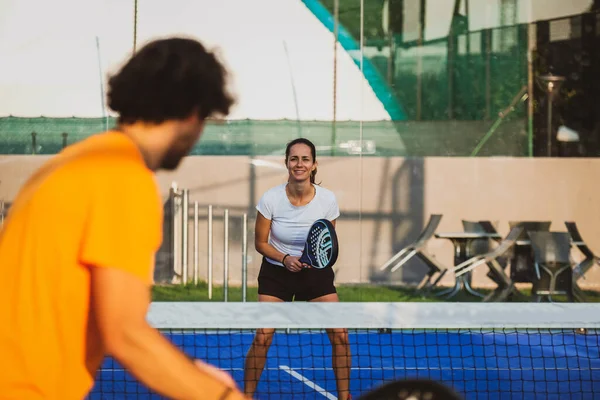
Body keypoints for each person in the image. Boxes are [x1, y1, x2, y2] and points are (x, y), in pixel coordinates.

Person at [0, 37, 248, 400]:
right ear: (194, 112)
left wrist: (189, 375)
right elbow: (125, 333)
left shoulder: (73, 163)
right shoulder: (124, 177)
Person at [243, 138, 352, 399]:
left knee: (341, 335)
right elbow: (260, 242)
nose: (299, 164)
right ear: (286, 163)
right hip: (276, 272)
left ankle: (345, 397)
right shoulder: (271, 198)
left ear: (314, 164)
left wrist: (309, 261)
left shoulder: (327, 200)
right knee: (262, 337)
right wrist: (284, 259)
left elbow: (326, 240)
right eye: (294, 159)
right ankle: (244, 396)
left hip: (314, 273)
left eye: (305, 159)